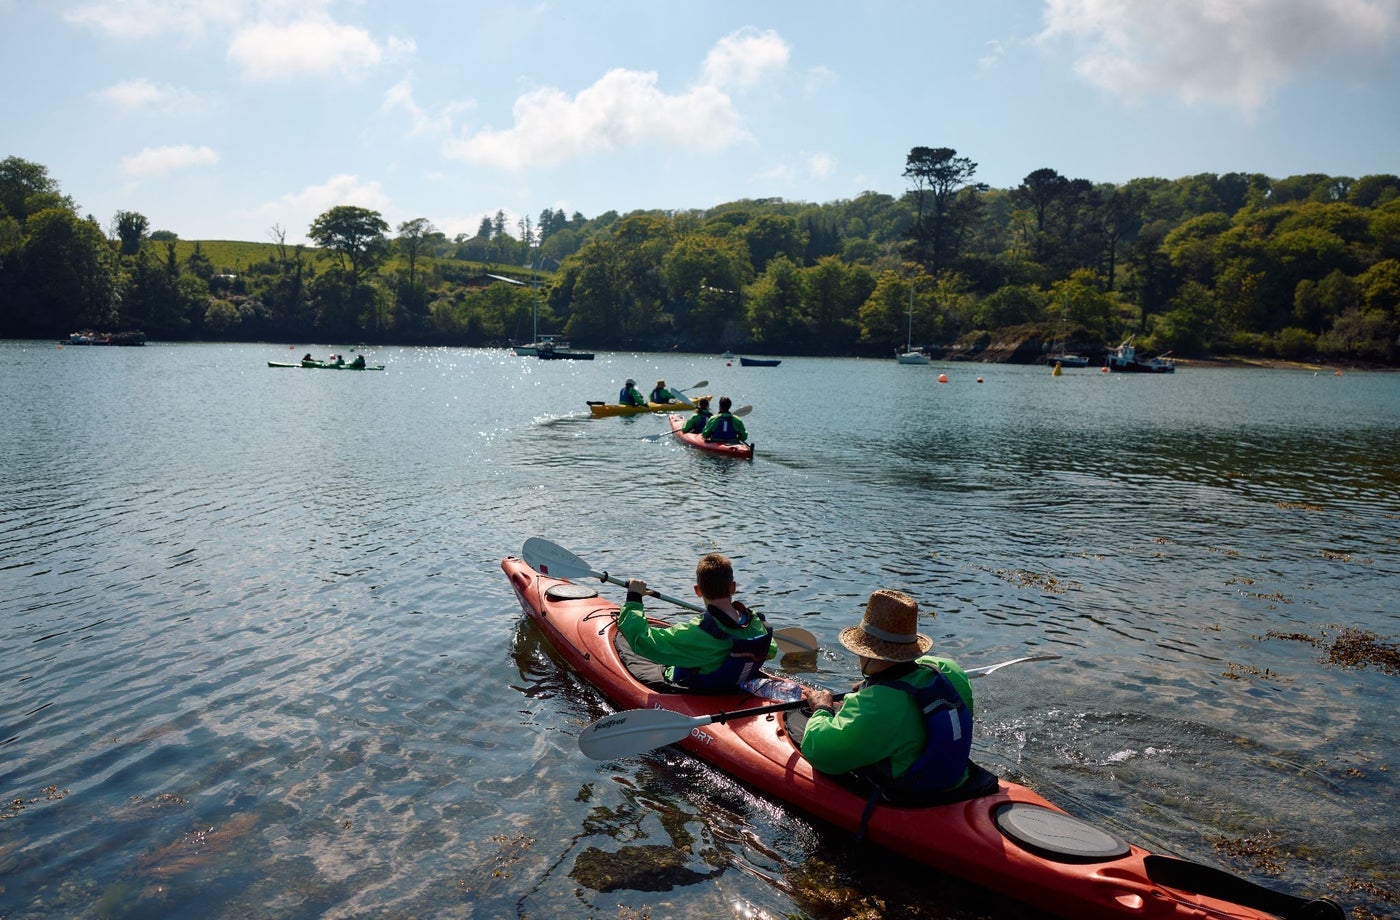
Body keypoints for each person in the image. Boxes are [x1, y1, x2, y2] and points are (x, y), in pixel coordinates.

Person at [800, 589, 974, 797]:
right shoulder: (948, 669)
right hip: (957, 778)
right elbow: (911, 679)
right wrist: (872, 684)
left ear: (873, 655)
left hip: (916, 794)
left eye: (860, 653)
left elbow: (819, 753)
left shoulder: (878, 704)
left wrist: (822, 708)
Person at [616, 552, 776, 691]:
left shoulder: (697, 632)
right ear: (732, 587)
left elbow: (641, 640)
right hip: (734, 686)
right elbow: (771, 651)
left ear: (697, 590)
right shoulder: (756, 623)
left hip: (696, 689)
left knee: (627, 645)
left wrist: (634, 598)